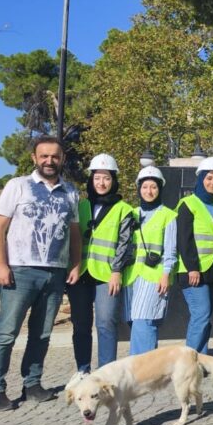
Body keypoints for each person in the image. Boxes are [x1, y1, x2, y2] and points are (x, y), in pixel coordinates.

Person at [0, 135, 81, 411]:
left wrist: (75, 264)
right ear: (34, 159)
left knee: (41, 333)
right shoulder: (18, 186)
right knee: (7, 332)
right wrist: (0, 265)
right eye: (44, 156)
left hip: (54, 273)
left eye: (55, 156)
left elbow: (74, 234)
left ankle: (33, 383)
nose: (49, 161)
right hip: (21, 271)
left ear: (62, 159)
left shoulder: (71, 192)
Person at [70, 153, 135, 373]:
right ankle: (83, 370)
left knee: (106, 323)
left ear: (113, 180)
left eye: (106, 178)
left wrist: (117, 271)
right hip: (80, 274)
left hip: (107, 275)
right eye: (97, 177)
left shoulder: (123, 209)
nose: (101, 183)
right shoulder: (81, 206)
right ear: (91, 179)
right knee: (80, 325)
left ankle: (106, 373)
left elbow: (125, 243)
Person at [123, 166, 177, 355]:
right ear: (139, 189)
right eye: (145, 187)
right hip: (131, 276)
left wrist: (166, 274)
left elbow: (171, 249)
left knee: (144, 320)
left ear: (160, 189)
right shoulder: (132, 213)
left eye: (153, 187)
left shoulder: (168, 215)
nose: (149, 191)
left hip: (154, 276)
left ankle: (139, 369)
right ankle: (148, 366)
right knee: (136, 321)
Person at [175, 156, 213, 353]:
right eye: (209, 178)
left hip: (212, 270)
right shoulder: (188, 203)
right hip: (193, 271)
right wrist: (192, 267)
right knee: (201, 314)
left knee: (205, 317)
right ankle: (187, 361)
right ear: (201, 178)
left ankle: (200, 359)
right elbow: (184, 239)